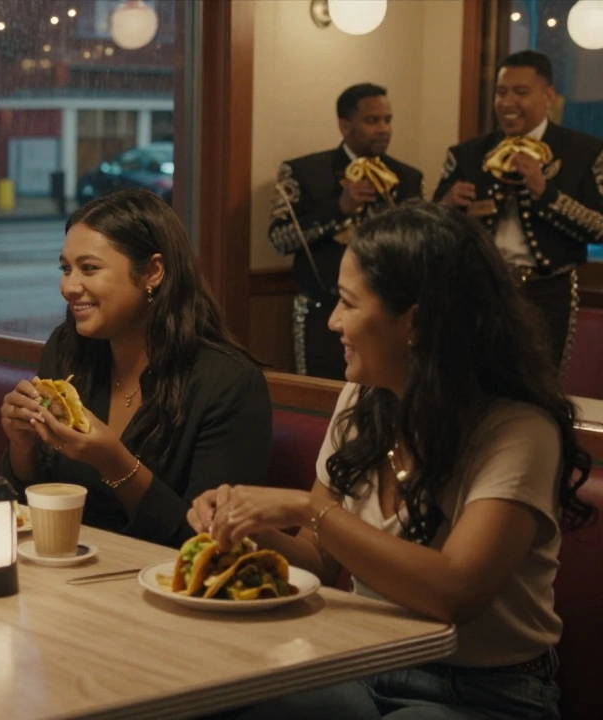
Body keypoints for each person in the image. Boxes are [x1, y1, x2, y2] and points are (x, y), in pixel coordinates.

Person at [194, 202, 596, 719]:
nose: (334, 321)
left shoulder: (519, 429)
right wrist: (242, 524)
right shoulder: (361, 400)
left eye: (347, 303)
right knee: (220, 698)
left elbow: (455, 593)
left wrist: (303, 508)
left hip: (488, 691)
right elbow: (319, 558)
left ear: (415, 322)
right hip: (363, 662)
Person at [0, 189, 271, 549]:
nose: (68, 287)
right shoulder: (67, 352)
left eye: (89, 268)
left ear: (152, 272)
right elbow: (28, 504)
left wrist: (115, 463)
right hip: (63, 570)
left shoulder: (228, 384)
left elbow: (207, 543)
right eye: (65, 268)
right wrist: (23, 445)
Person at [435, 50, 603, 374]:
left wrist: (545, 192)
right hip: (479, 288)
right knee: (473, 381)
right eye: (501, 92)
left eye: (521, 92)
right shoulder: (468, 154)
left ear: (548, 96)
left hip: (548, 292)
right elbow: (432, 231)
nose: (508, 102)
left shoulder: (584, 152)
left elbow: (600, 227)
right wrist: (445, 206)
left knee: (540, 385)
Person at [269, 83, 424, 381]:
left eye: (387, 120)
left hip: (389, 315)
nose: (383, 129)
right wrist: (339, 208)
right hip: (322, 310)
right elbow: (279, 239)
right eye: (372, 121)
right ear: (344, 125)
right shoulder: (305, 172)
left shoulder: (407, 177)